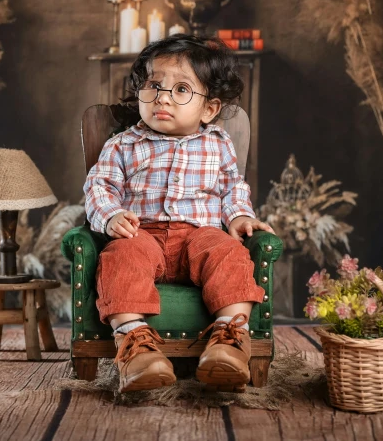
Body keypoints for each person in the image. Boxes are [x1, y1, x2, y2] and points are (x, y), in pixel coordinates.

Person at [83, 34, 275, 393]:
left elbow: (232, 187)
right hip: (142, 233)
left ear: (209, 109)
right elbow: (100, 186)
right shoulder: (123, 144)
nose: (163, 98)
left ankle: (229, 340)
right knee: (119, 257)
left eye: (181, 89)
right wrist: (111, 215)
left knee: (229, 253)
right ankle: (136, 345)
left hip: (200, 234)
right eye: (154, 85)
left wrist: (238, 217)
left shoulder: (217, 143)